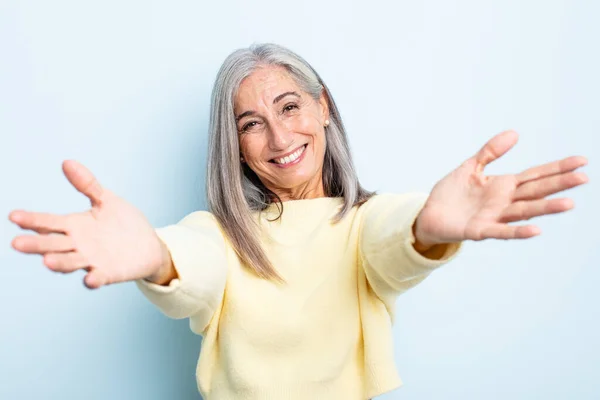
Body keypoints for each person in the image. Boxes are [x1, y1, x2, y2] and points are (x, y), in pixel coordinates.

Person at [8, 43, 588, 400]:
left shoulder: (364, 223)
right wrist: (158, 259)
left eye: (290, 106)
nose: (281, 138)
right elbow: (196, 265)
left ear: (323, 107)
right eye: (251, 123)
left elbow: (391, 238)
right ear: (233, 147)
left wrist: (426, 230)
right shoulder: (218, 236)